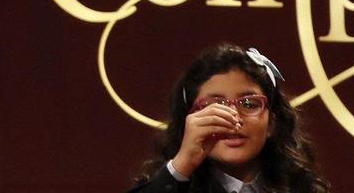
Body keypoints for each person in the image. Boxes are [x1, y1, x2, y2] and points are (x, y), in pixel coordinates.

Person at [129, 43, 329, 193]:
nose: (233, 117)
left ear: (272, 124)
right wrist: (183, 164)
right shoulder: (169, 184)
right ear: (189, 121)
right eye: (215, 106)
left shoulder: (302, 187)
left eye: (249, 104)